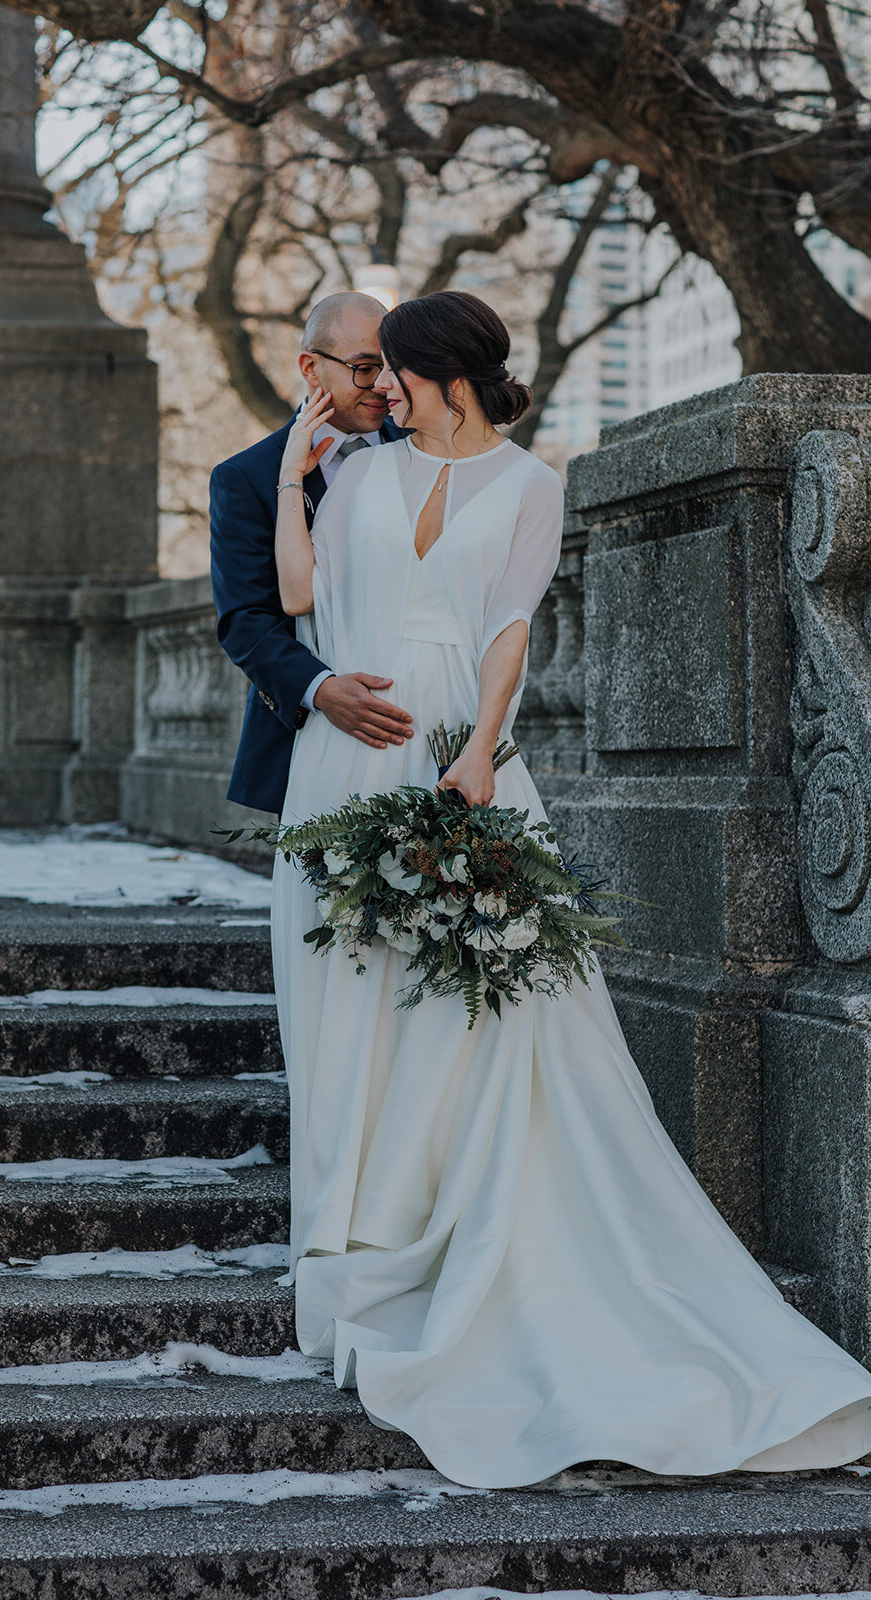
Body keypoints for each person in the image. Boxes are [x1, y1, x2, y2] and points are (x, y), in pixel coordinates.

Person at [267, 287, 871, 1488]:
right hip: (346, 748)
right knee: (346, 991)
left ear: (439, 372)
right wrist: (294, 473)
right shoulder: (361, 476)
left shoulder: (531, 485)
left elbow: (509, 628)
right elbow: (296, 599)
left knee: (483, 1012)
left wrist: (481, 748)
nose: (375, 385)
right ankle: (354, 1235)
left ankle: (464, 1236)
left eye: (390, 367)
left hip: (456, 744)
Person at [210, 291, 412, 817]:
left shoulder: (420, 452)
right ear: (311, 368)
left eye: (393, 368)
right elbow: (245, 619)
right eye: (366, 368)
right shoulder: (245, 477)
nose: (384, 386)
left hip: (418, 722)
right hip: (309, 733)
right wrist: (320, 690)